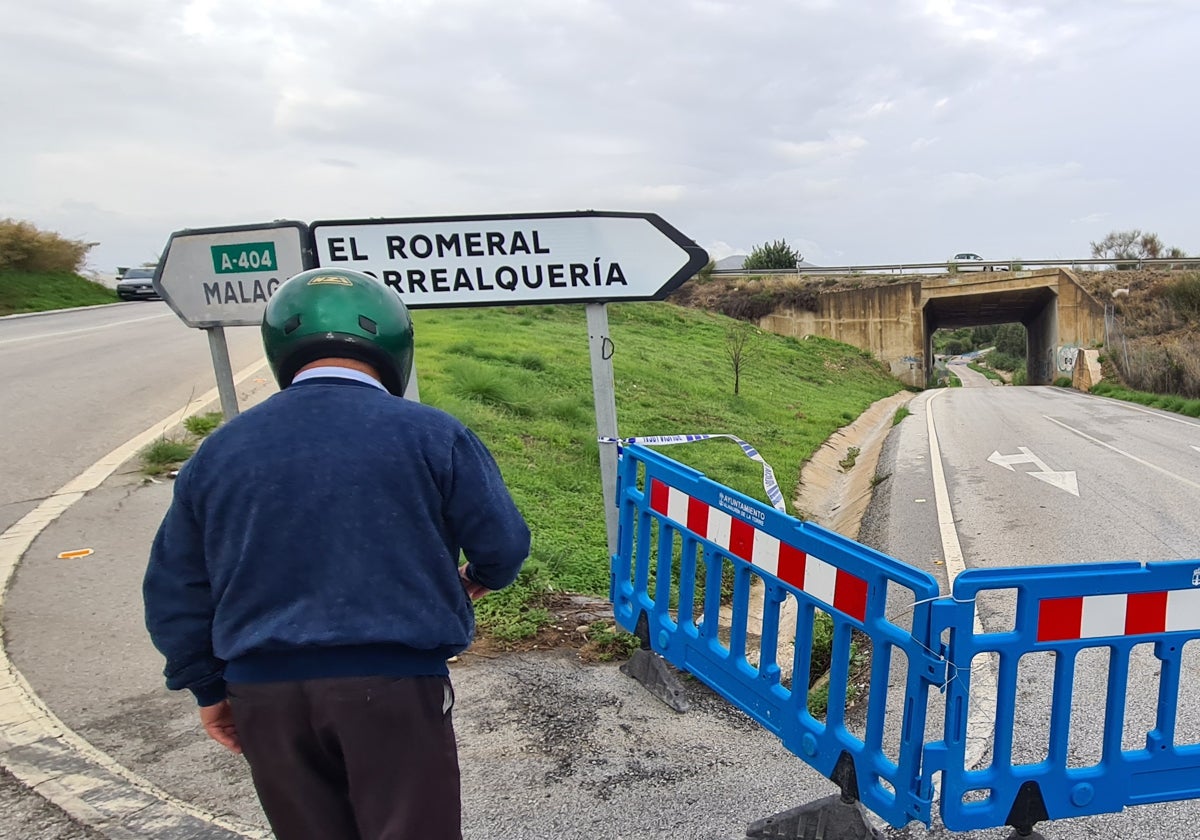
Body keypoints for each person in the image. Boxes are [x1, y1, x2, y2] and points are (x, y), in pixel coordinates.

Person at [143, 267, 531, 840]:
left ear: (280, 347)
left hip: (262, 693)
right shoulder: (432, 433)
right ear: (395, 343)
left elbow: (176, 586)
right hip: (393, 685)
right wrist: (480, 576)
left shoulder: (221, 449)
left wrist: (207, 686)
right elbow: (504, 542)